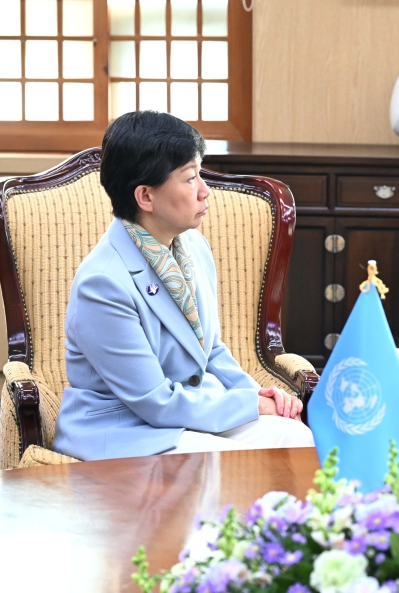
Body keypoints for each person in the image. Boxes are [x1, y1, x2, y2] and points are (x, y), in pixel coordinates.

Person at [53, 111, 314, 460]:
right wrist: (245, 407)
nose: (205, 191)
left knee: (293, 438)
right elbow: (154, 402)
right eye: (190, 178)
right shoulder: (102, 285)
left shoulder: (193, 247)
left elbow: (212, 350)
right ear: (145, 196)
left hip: (190, 410)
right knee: (221, 465)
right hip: (127, 429)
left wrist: (259, 396)